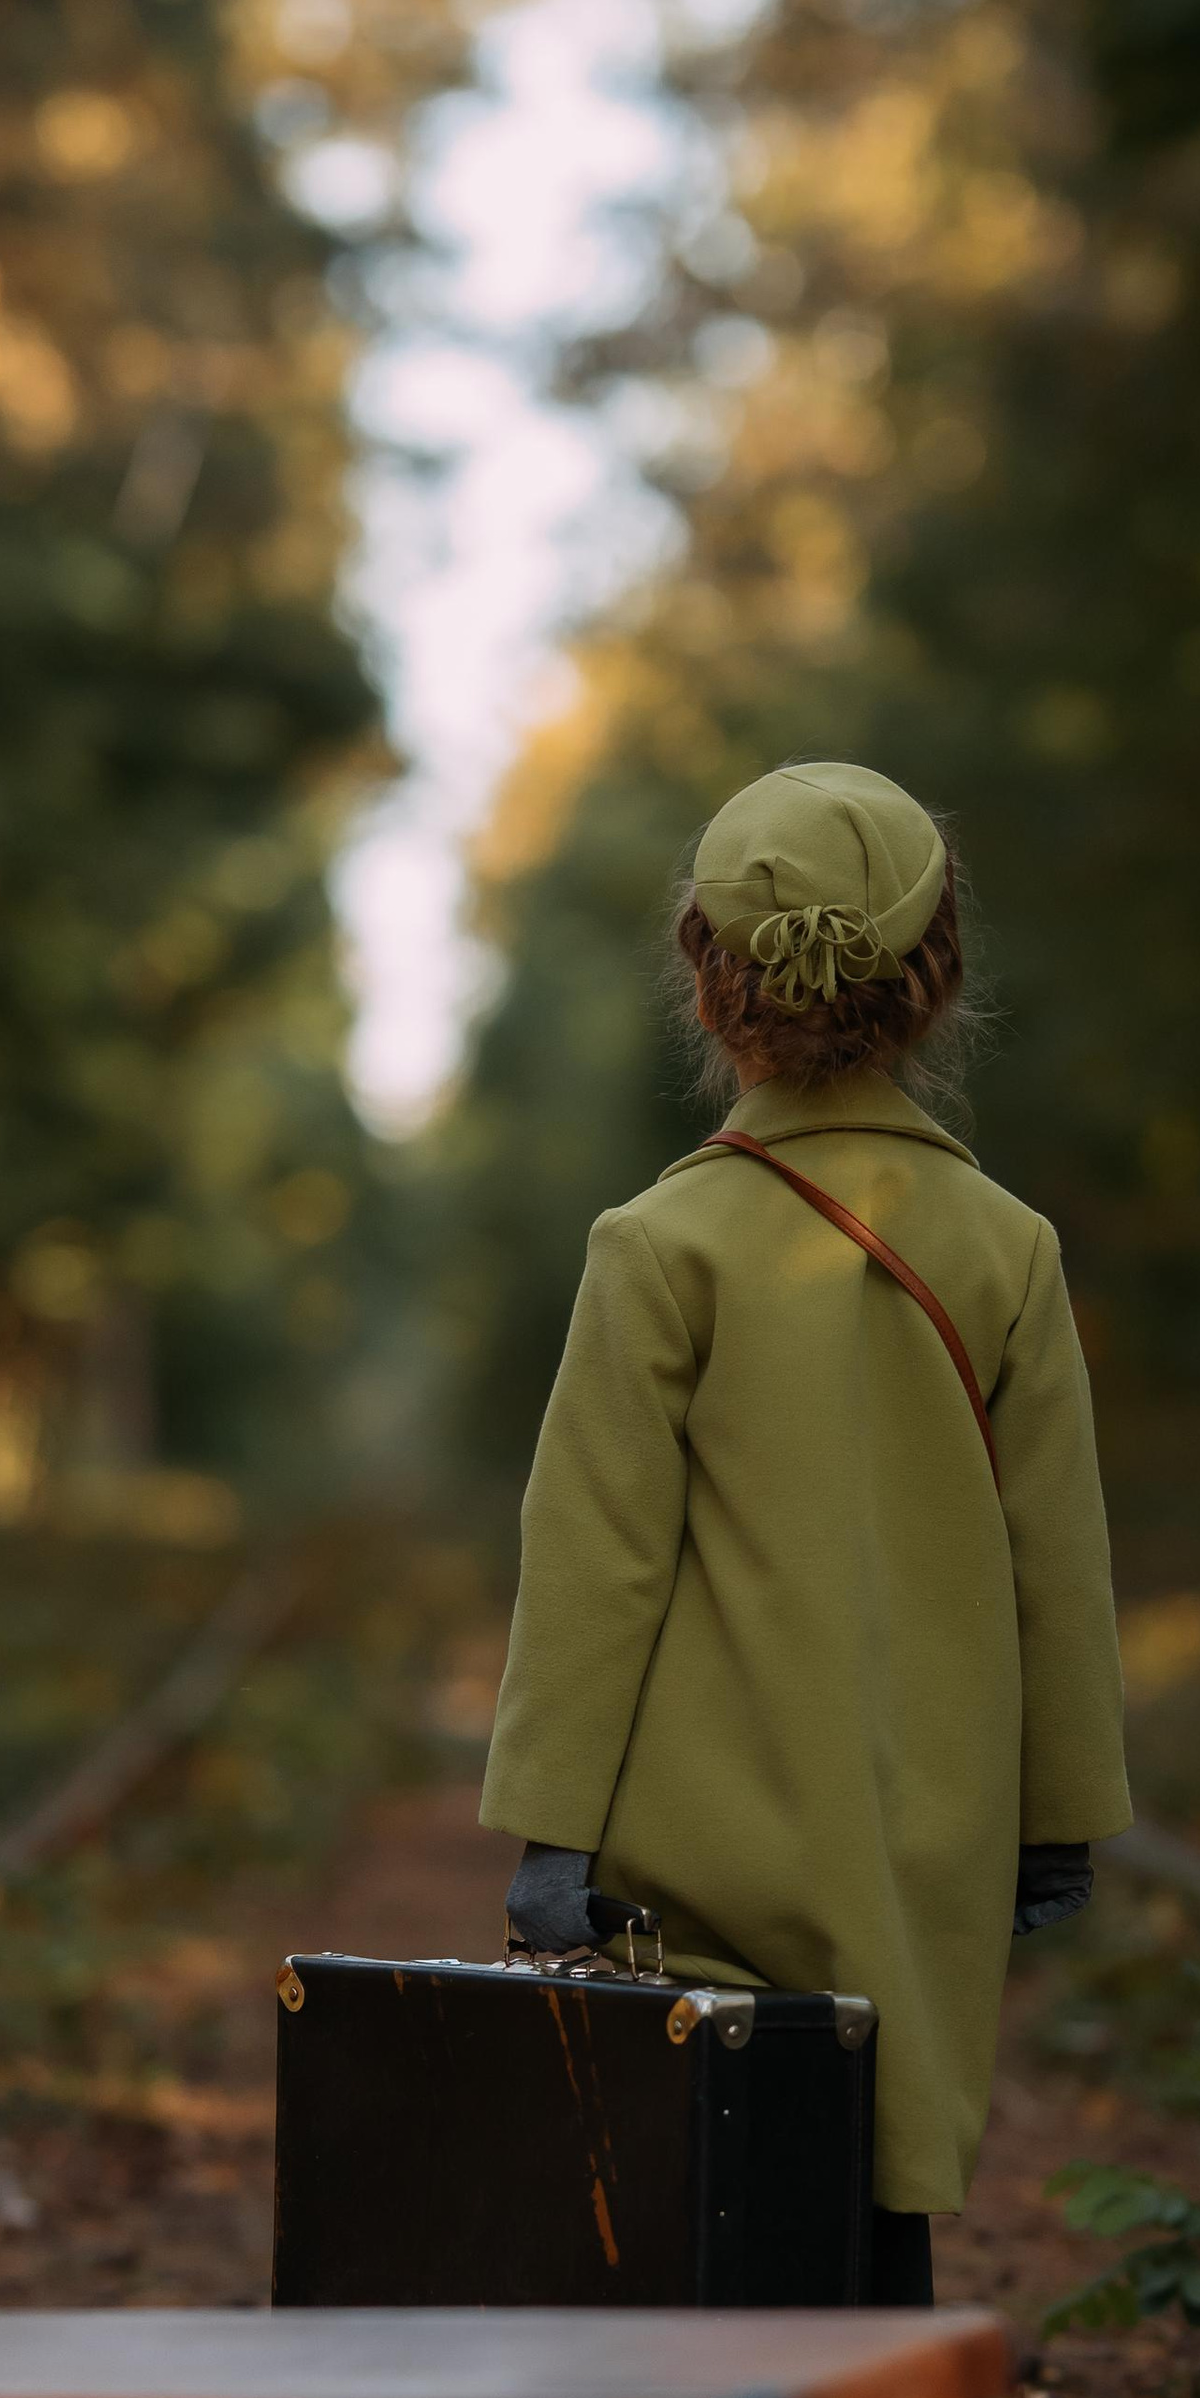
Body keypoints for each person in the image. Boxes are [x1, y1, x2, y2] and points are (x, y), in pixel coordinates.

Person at [478, 759, 1129, 2305]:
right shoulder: (1006, 1250)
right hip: (925, 1819)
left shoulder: (658, 1247)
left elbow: (597, 1559)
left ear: (708, 978)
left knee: (702, 2164)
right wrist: (1061, 1808)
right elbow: (1059, 1561)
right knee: (868, 2151)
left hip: (699, 1848)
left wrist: (551, 1825)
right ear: (939, 974)